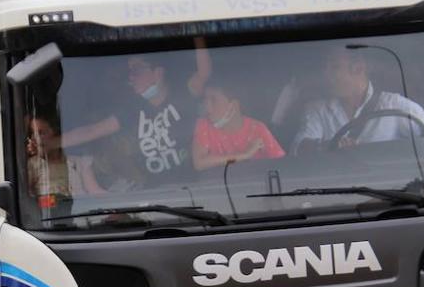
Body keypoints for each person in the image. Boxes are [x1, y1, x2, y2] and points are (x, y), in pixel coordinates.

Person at [55, 38, 212, 185]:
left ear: (157, 73)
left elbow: (204, 71)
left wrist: (197, 33)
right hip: (157, 194)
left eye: (136, 70)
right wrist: (51, 143)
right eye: (129, 72)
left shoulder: (183, 95)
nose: (131, 77)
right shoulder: (133, 109)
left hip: (193, 189)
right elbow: (91, 131)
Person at [293, 44, 424, 153]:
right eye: (326, 68)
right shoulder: (317, 109)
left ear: (359, 68)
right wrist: (328, 146)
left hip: (389, 196)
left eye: (334, 67)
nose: (327, 75)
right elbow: (299, 148)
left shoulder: (394, 106)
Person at [192, 80, 285, 170]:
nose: (208, 107)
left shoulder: (258, 129)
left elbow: (282, 165)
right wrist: (244, 155)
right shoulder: (204, 125)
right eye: (206, 101)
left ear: (234, 106)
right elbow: (199, 163)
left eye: (214, 100)